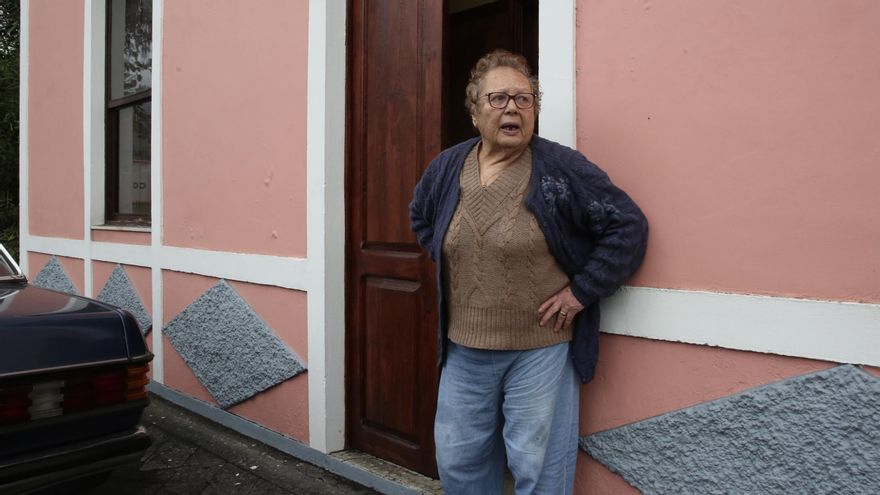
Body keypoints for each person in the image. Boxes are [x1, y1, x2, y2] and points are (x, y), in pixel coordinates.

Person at [410, 50, 648, 494]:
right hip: (464, 349)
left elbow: (627, 225)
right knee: (458, 460)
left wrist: (581, 291)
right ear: (474, 111)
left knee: (538, 467)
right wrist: (454, 260)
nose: (513, 109)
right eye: (498, 98)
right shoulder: (446, 168)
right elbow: (421, 217)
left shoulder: (560, 168)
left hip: (540, 348)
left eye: (524, 99)